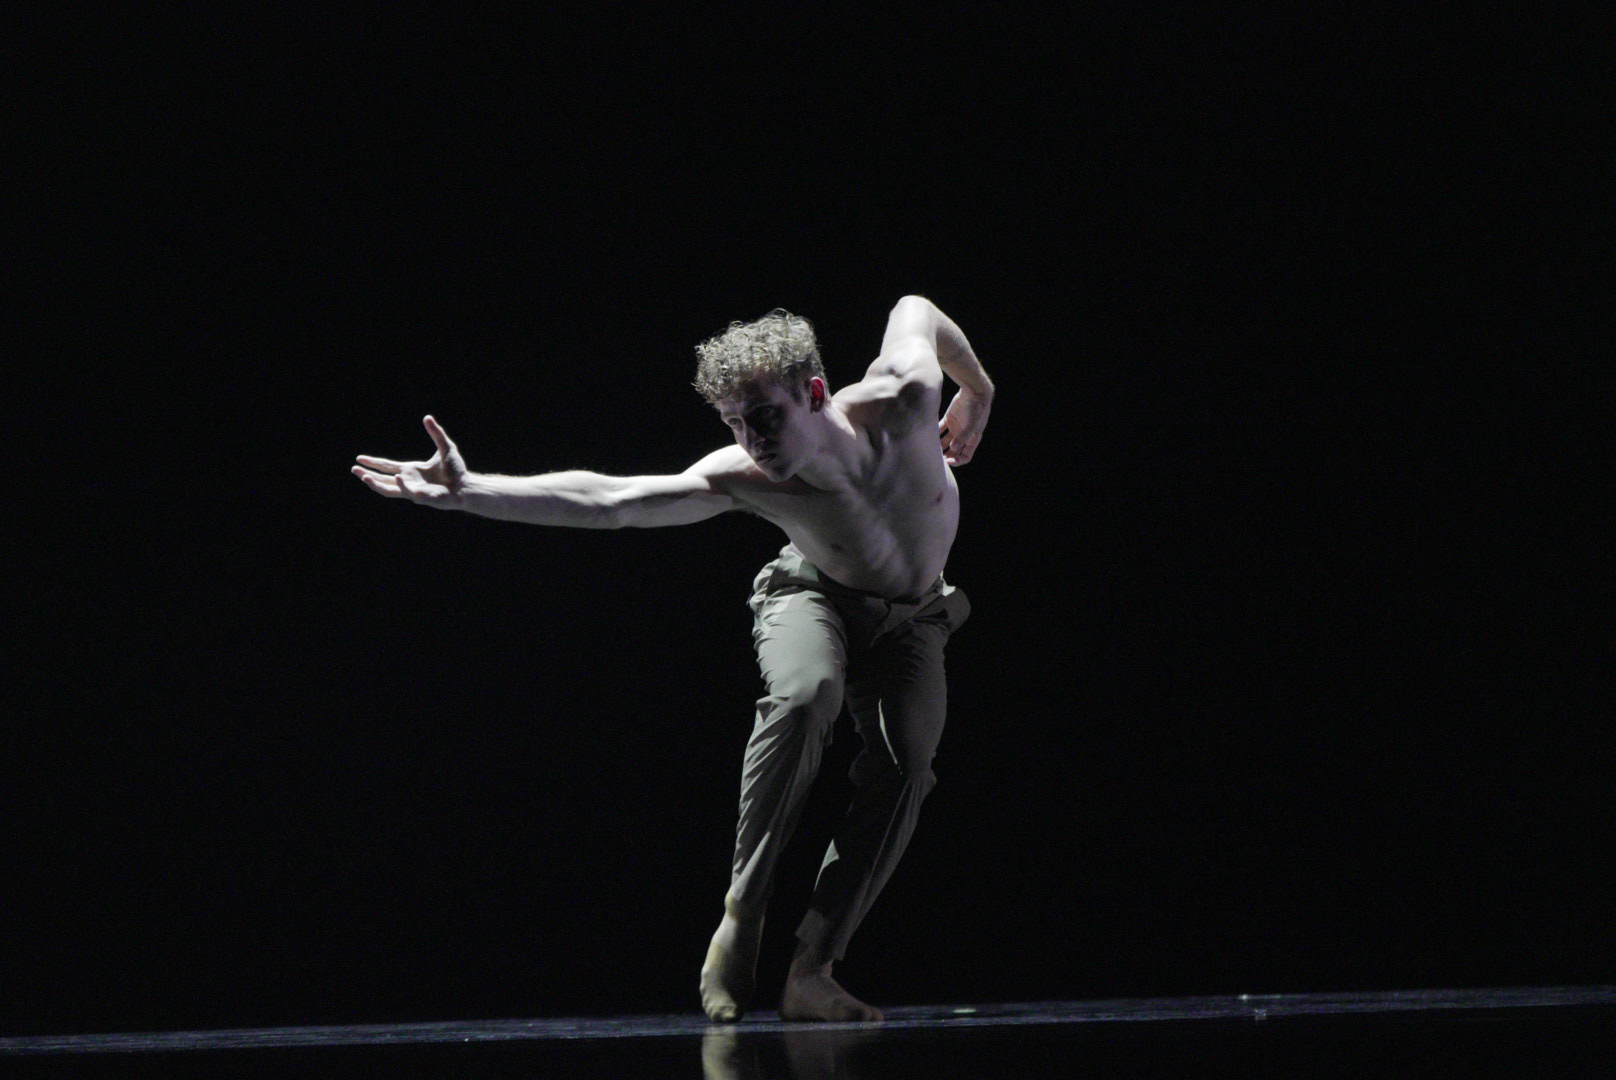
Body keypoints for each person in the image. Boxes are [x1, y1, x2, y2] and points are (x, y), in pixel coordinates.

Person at [352, 296, 994, 1022]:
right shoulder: (746, 476)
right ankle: (743, 911)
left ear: (814, 393)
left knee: (908, 764)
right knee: (806, 692)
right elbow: (613, 499)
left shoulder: (905, 394)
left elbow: (917, 308)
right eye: (733, 423)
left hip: (916, 617)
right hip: (813, 596)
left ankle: (812, 969)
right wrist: (470, 493)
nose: (751, 439)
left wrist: (978, 388)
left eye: (765, 416)